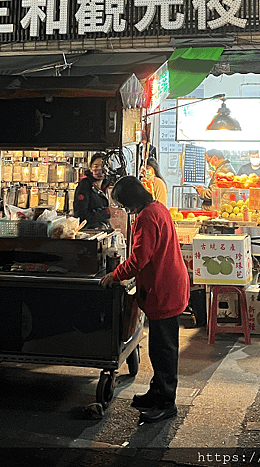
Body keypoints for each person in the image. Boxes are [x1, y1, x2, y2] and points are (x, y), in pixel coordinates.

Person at [100, 176, 189, 423]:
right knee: (159, 348)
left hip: (164, 289)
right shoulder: (156, 207)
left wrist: (115, 275)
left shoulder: (147, 217)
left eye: (119, 202)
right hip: (167, 284)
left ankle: (166, 403)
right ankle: (157, 391)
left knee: (164, 350)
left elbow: (139, 258)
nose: (119, 207)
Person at [73, 152, 112, 229]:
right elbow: (81, 215)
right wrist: (106, 212)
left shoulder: (108, 185)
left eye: (102, 166)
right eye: (96, 166)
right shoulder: (84, 185)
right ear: (90, 168)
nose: (99, 170)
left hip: (105, 230)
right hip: (90, 231)